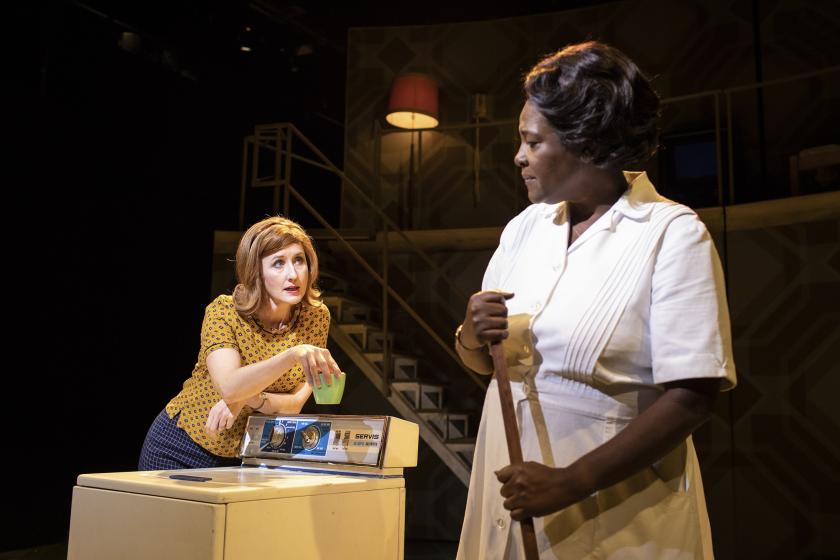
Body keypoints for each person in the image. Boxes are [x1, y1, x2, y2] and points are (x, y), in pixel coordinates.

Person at [454, 41, 736, 559]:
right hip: (508, 500)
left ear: (585, 142)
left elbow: (693, 397)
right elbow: (484, 363)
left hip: (616, 517)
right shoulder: (525, 228)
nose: (518, 156)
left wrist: (572, 482)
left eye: (533, 142)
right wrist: (471, 334)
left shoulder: (671, 234)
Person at [139, 216, 343, 470]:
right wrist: (291, 355)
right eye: (278, 263)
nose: (293, 274)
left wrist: (247, 398)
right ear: (255, 271)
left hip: (250, 454)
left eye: (299, 260)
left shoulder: (315, 316)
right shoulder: (224, 312)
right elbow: (229, 386)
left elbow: (294, 404)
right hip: (182, 446)